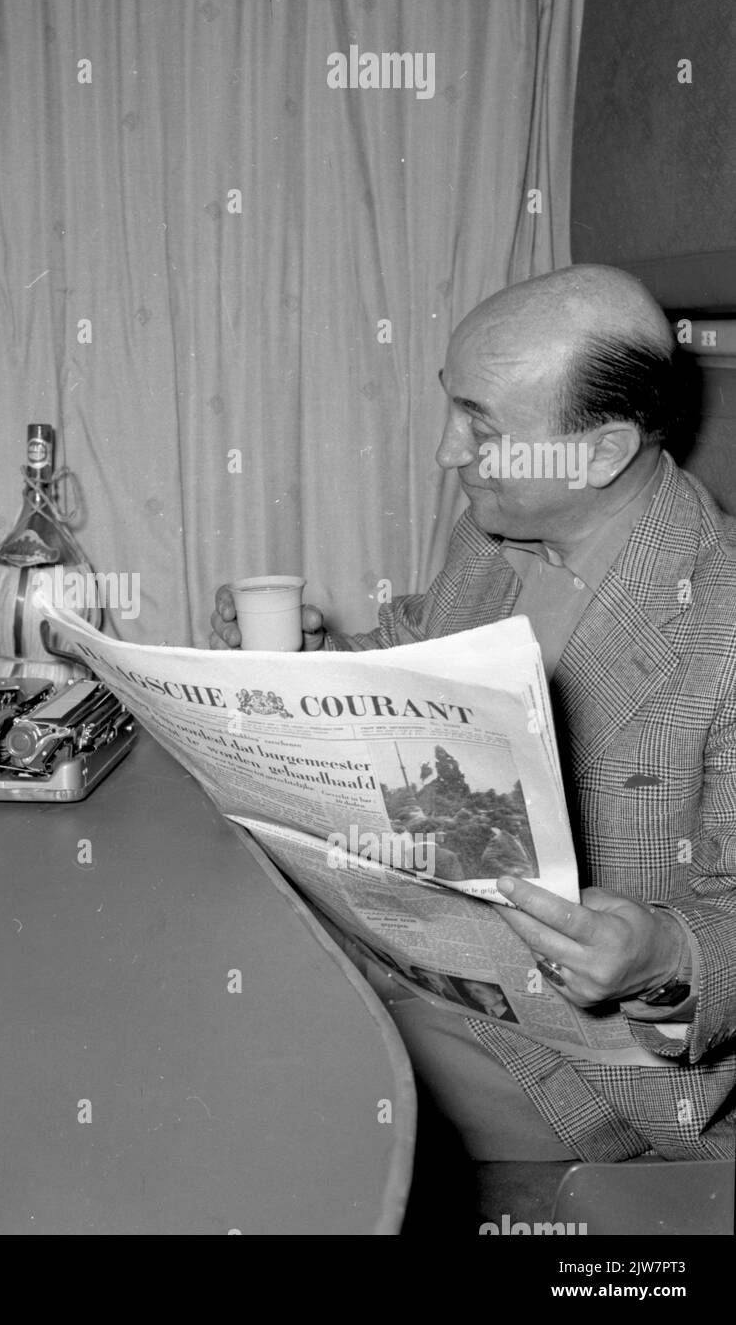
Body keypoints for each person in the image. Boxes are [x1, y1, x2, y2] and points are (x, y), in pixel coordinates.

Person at [211, 264, 736, 1164]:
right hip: (409, 957)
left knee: (263, 1094)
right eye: (452, 408)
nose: (449, 452)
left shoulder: (721, 623)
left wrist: (662, 958)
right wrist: (303, 665)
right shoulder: (495, 535)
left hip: (579, 1062)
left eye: (479, 425)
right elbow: (413, 660)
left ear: (600, 453)